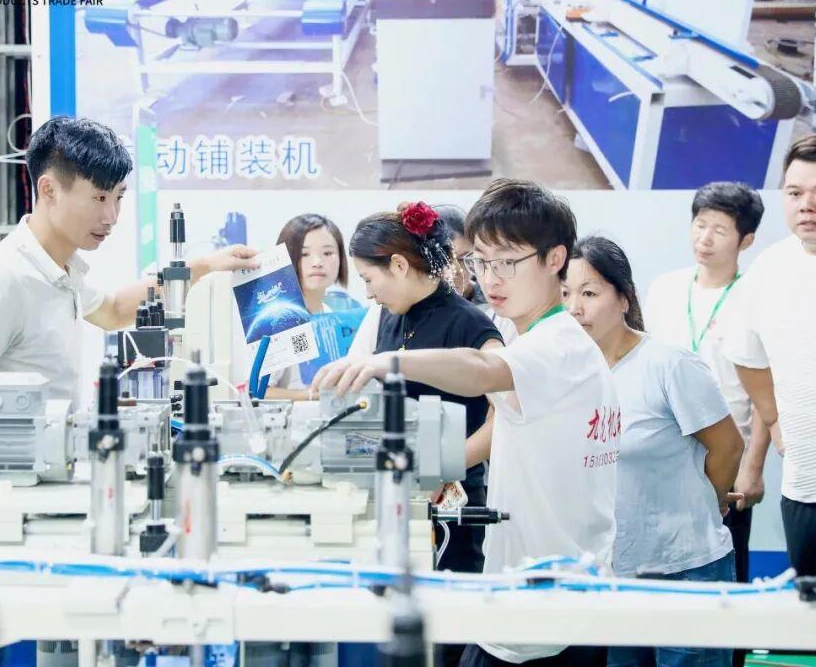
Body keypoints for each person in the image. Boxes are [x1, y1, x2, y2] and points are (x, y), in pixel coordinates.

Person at [315, 180, 617, 666]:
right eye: (481, 262)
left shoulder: (557, 345)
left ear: (555, 258)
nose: (491, 278)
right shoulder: (538, 340)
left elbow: (481, 370)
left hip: (545, 598)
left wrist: (391, 362)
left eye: (507, 263)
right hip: (544, 587)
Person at [0, 116, 258, 512]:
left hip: (39, 492)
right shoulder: (5, 277)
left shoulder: (61, 271)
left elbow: (114, 310)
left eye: (119, 197)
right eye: (100, 198)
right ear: (49, 189)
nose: (112, 216)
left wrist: (203, 266)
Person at [564, 235, 744, 667]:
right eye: (565, 294)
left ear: (624, 298)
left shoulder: (668, 364)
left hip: (687, 567)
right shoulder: (573, 375)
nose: (574, 308)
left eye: (589, 293)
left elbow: (728, 447)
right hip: (615, 573)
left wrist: (707, 501)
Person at [722, 134, 816, 598]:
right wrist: (773, 418)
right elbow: (746, 356)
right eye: (795, 192)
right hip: (807, 486)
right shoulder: (769, 270)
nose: (807, 205)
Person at [643, 181, 764, 592]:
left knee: (726, 574)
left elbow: (765, 393)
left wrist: (752, 468)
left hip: (727, 456)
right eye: (700, 224)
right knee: (656, 573)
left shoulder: (755, 296)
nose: (705, 238)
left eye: (720, 230)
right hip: (662, 455)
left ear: (746, 240)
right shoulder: (665, 288)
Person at [265, 214, 349, 400]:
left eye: (327, 253)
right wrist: (312, 396)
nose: (317, 262)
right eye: (304, 254)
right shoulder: (278, 320)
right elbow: (258, 392)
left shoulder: (331, 315)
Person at [435, 204, 518, 344]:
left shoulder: (498, 310)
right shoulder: (407, 312)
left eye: (463, 259)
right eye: (443, 260)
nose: (453, 271)